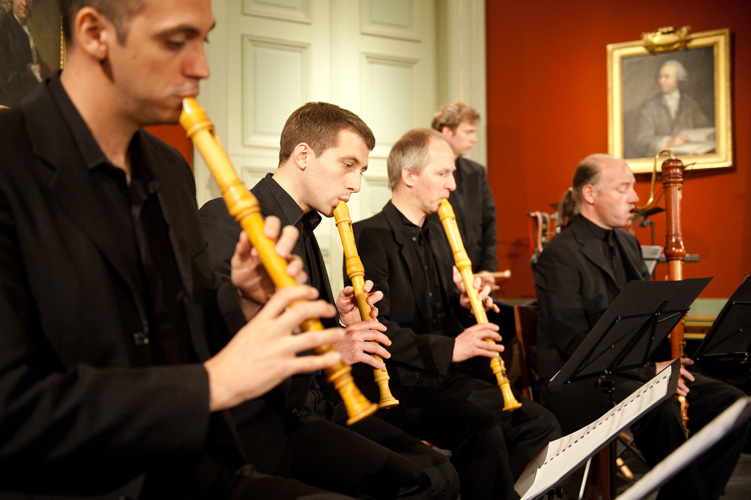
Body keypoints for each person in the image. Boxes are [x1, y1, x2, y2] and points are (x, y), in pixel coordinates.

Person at [0, 0, 363, 498]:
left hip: (195, 469)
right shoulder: (9, 162)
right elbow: (12, 408)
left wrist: (248, 303)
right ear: (93, 33)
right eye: (176, 42)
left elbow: (186, 335)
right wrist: (206, 387)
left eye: (203, 40)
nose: (200, 68)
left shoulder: (169, 168)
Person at [199, 102, 460, 499]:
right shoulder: (227, 218)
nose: (356, 184)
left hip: (318, 406)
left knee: (439, 471)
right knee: (417, 483)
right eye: (347, 165)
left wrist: (342, 326)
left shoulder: (307, 226)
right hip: (267, 425)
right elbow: (217, 333)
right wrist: (328, 346)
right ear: (303, 155)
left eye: (362, 171)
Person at [353, 128, 561, 500]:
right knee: (481, 429)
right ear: (410, 176)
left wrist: (468, 306)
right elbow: (378, 326)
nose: (452, 185)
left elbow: (443, 311)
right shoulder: (369, 236)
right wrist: (452, 348)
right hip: (401, 382)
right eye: (443, 174)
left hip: (445, 376)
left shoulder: (441, 233)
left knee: (538, 422)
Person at [533, 153, 749, 500]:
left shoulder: (628, 243)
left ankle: (689, 495)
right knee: (660, 407)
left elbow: (645, 319)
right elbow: (574, 343)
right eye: (624, 189)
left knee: (732, 402)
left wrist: (665, 336)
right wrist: (652, 371)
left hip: (630, 372)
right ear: (590, 194)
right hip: (579, 380)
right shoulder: (558, 254)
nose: (635, 198)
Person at [431, 102, 497, 276]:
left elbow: (489, 223)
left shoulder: (476, 172)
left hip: (476, 272)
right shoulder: (427, 172)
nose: (474, 139)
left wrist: (487, 268)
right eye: (468, 132)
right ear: (447, 132)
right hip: (441, 274)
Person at [632, 60, 713, 158]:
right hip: (658, 159)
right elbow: (642, 140)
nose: (661, 81)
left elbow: (705, 128)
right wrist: (668, 141)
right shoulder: (649, 106)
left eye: (666, 77)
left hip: (688, 157)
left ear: (678, 79)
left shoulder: (690, 104)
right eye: (660, 76)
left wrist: (693, 136)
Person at [0, 0, 52, 106]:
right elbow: (4, 82)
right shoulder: (3, 27)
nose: (25, 3)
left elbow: (42, 66)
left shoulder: (25, 30)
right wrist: (34, 74)